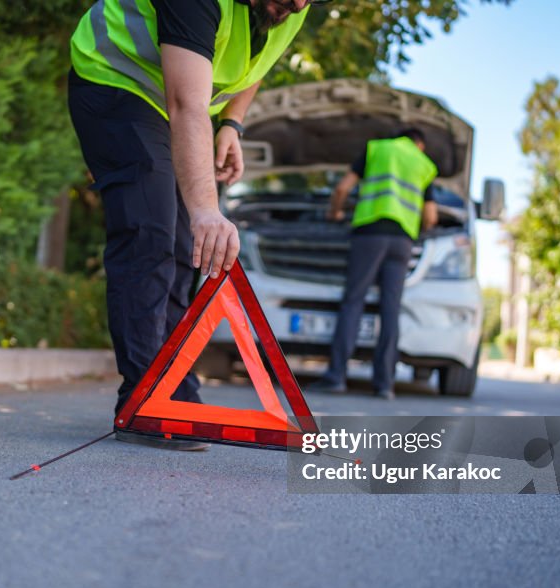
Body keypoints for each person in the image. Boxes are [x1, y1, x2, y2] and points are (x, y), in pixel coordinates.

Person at [68, 0, 323, 449]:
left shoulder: (292, 5)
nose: (300, 4)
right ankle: (143, 402)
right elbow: (187, 104)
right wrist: (206, 209)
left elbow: (257, 62)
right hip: (117, 82)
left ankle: (175, 392)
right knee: (150, 231)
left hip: (177, 105)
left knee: (188, 248)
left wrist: (233, 124)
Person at [310, 128, 439, 400]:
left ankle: (336, 377)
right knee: (391, 309)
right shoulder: (424, 164)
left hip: (369, 235)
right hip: (402, 241)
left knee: (354, 301)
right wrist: (419, 229)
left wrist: (335, 212)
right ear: (420, 145)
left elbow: (343, 188)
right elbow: (431, 216)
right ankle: (384, 384)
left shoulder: (377, 149)